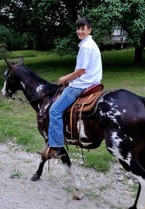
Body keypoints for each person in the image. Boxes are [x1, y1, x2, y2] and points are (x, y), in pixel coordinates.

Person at [43, 17, 103, 159]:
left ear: (89, 30)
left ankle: (56, 146)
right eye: (78, 28)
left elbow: (81, 71)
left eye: (83, 28)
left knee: (54, 110)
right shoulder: (90, 44)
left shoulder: (85, 46)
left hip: (82, 84)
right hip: (93, 83)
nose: (80, 31)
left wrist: (65, 79)